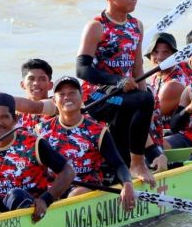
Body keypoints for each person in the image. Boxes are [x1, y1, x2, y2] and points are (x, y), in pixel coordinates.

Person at [76, 0, 156, 186]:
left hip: (123, 95)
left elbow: (137, 65)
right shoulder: (96, 26)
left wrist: (143, 93)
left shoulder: (136, 25)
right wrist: (117, 81)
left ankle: (119, 172)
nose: (135, 0)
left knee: (145, 99)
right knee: (138, 101)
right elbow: (82, 70)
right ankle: (136, 163)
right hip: (97, 97)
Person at [0, 93, 75, 220]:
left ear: (15, 119)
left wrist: (46, 200)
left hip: (27, 205)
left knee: (15, 194)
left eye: (5, 117)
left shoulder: (35, 143)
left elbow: (68, 172)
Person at [35, 76, 135, 211]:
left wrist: (127, 184)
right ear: (54, 100)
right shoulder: (40, 129)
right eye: (62, 94)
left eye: (72, 93)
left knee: (76, 193)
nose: (67, 97)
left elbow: (118, 164)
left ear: (82, 97)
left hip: (84, 187)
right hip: (52, 188)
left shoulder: (98, 131)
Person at [145, 32, 189, 156]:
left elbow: (149, 115)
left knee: (142, 145)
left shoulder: (173, 85)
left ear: (174, 56)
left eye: (166, 52)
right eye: (155, 52)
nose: (160, 57)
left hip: (184, 133)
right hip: (162, 131)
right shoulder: (156, 76)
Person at [16, 58, 56, 129]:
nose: (36, 83)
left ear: (50, 85)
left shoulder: (58, 106)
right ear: (22, 85)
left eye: (42, 79)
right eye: (31, 79)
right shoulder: (14, 114)